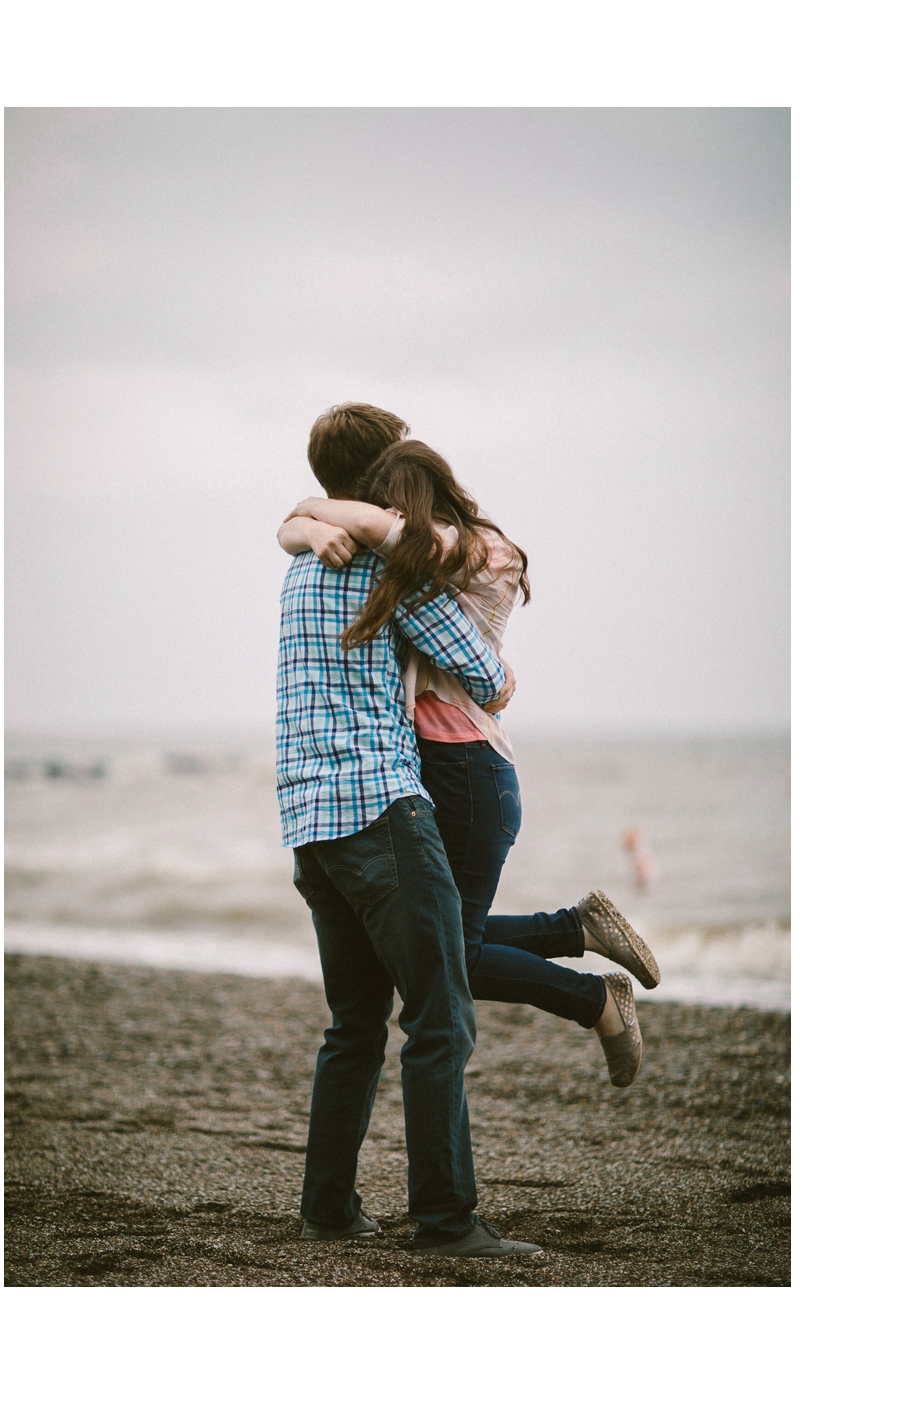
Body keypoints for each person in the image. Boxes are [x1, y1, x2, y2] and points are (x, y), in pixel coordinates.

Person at [277, 436, 658, 1087]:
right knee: (442, 942)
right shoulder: (427, 548)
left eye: (394, 506)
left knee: (448, 953)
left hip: (468, 767)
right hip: (436, 768)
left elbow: (379, 537)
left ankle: (594, 998)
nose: (386, 518)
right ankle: (575, 928)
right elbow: (324, 534)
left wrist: (313, 510)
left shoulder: (464, 547)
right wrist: (304, 527)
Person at [276, 402, 540, 1258]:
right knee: (440, 1018)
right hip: (384, 811)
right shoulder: (395, 574)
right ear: (391, 469)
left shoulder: (303, 566)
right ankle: (446, 1220)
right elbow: (486, 676)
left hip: (309, 824)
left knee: (353, 1025)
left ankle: (328, 1211)